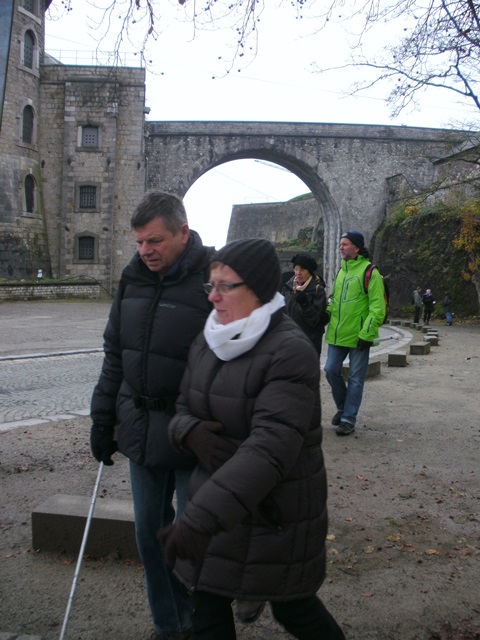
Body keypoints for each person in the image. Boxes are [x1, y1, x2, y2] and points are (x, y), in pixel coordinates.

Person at [160, 238, 346, 640]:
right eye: (210, 285)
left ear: (259, 290)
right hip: (217, 501)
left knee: (293, 607)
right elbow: (182, 407)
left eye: (226, 286)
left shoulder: (290, 351)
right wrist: (189, 432)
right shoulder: (209, 338)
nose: (213, 296)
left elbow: (271, 448)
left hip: (275, 511)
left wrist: (198, 519)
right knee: (206, 604)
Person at [90, 190, 214, 640]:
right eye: (140, 242)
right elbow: (114, 354)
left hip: (194, 434)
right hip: (141, 427)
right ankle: (169, 624)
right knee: (148, 534)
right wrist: (102, 419)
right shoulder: (132, 278)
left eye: (155, 241)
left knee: (195, 538)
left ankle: (204, 622)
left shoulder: (214, 280)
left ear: (183, 231)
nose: (146, 251)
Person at [324, 230, 386, 437]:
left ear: (357, 248)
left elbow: (378, 307)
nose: (340, 247)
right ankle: (342, 409)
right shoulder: (341, 271)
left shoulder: (371, 272)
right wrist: (324, 315)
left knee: (356, 379)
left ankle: (348, 419)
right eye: (340, 244)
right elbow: (334, 300)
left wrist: (366, 334)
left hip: (360, 336)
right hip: (337, 334)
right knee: (331, 370)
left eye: (345, 244)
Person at [282, 252, 328, 355]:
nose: (298, 273)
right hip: (290, 339)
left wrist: (305, 305)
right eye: (296, 269)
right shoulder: (288, 287)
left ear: (310, 271)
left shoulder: (318, 290)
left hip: (310, 341)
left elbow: (315, 321)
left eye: (302, 270)